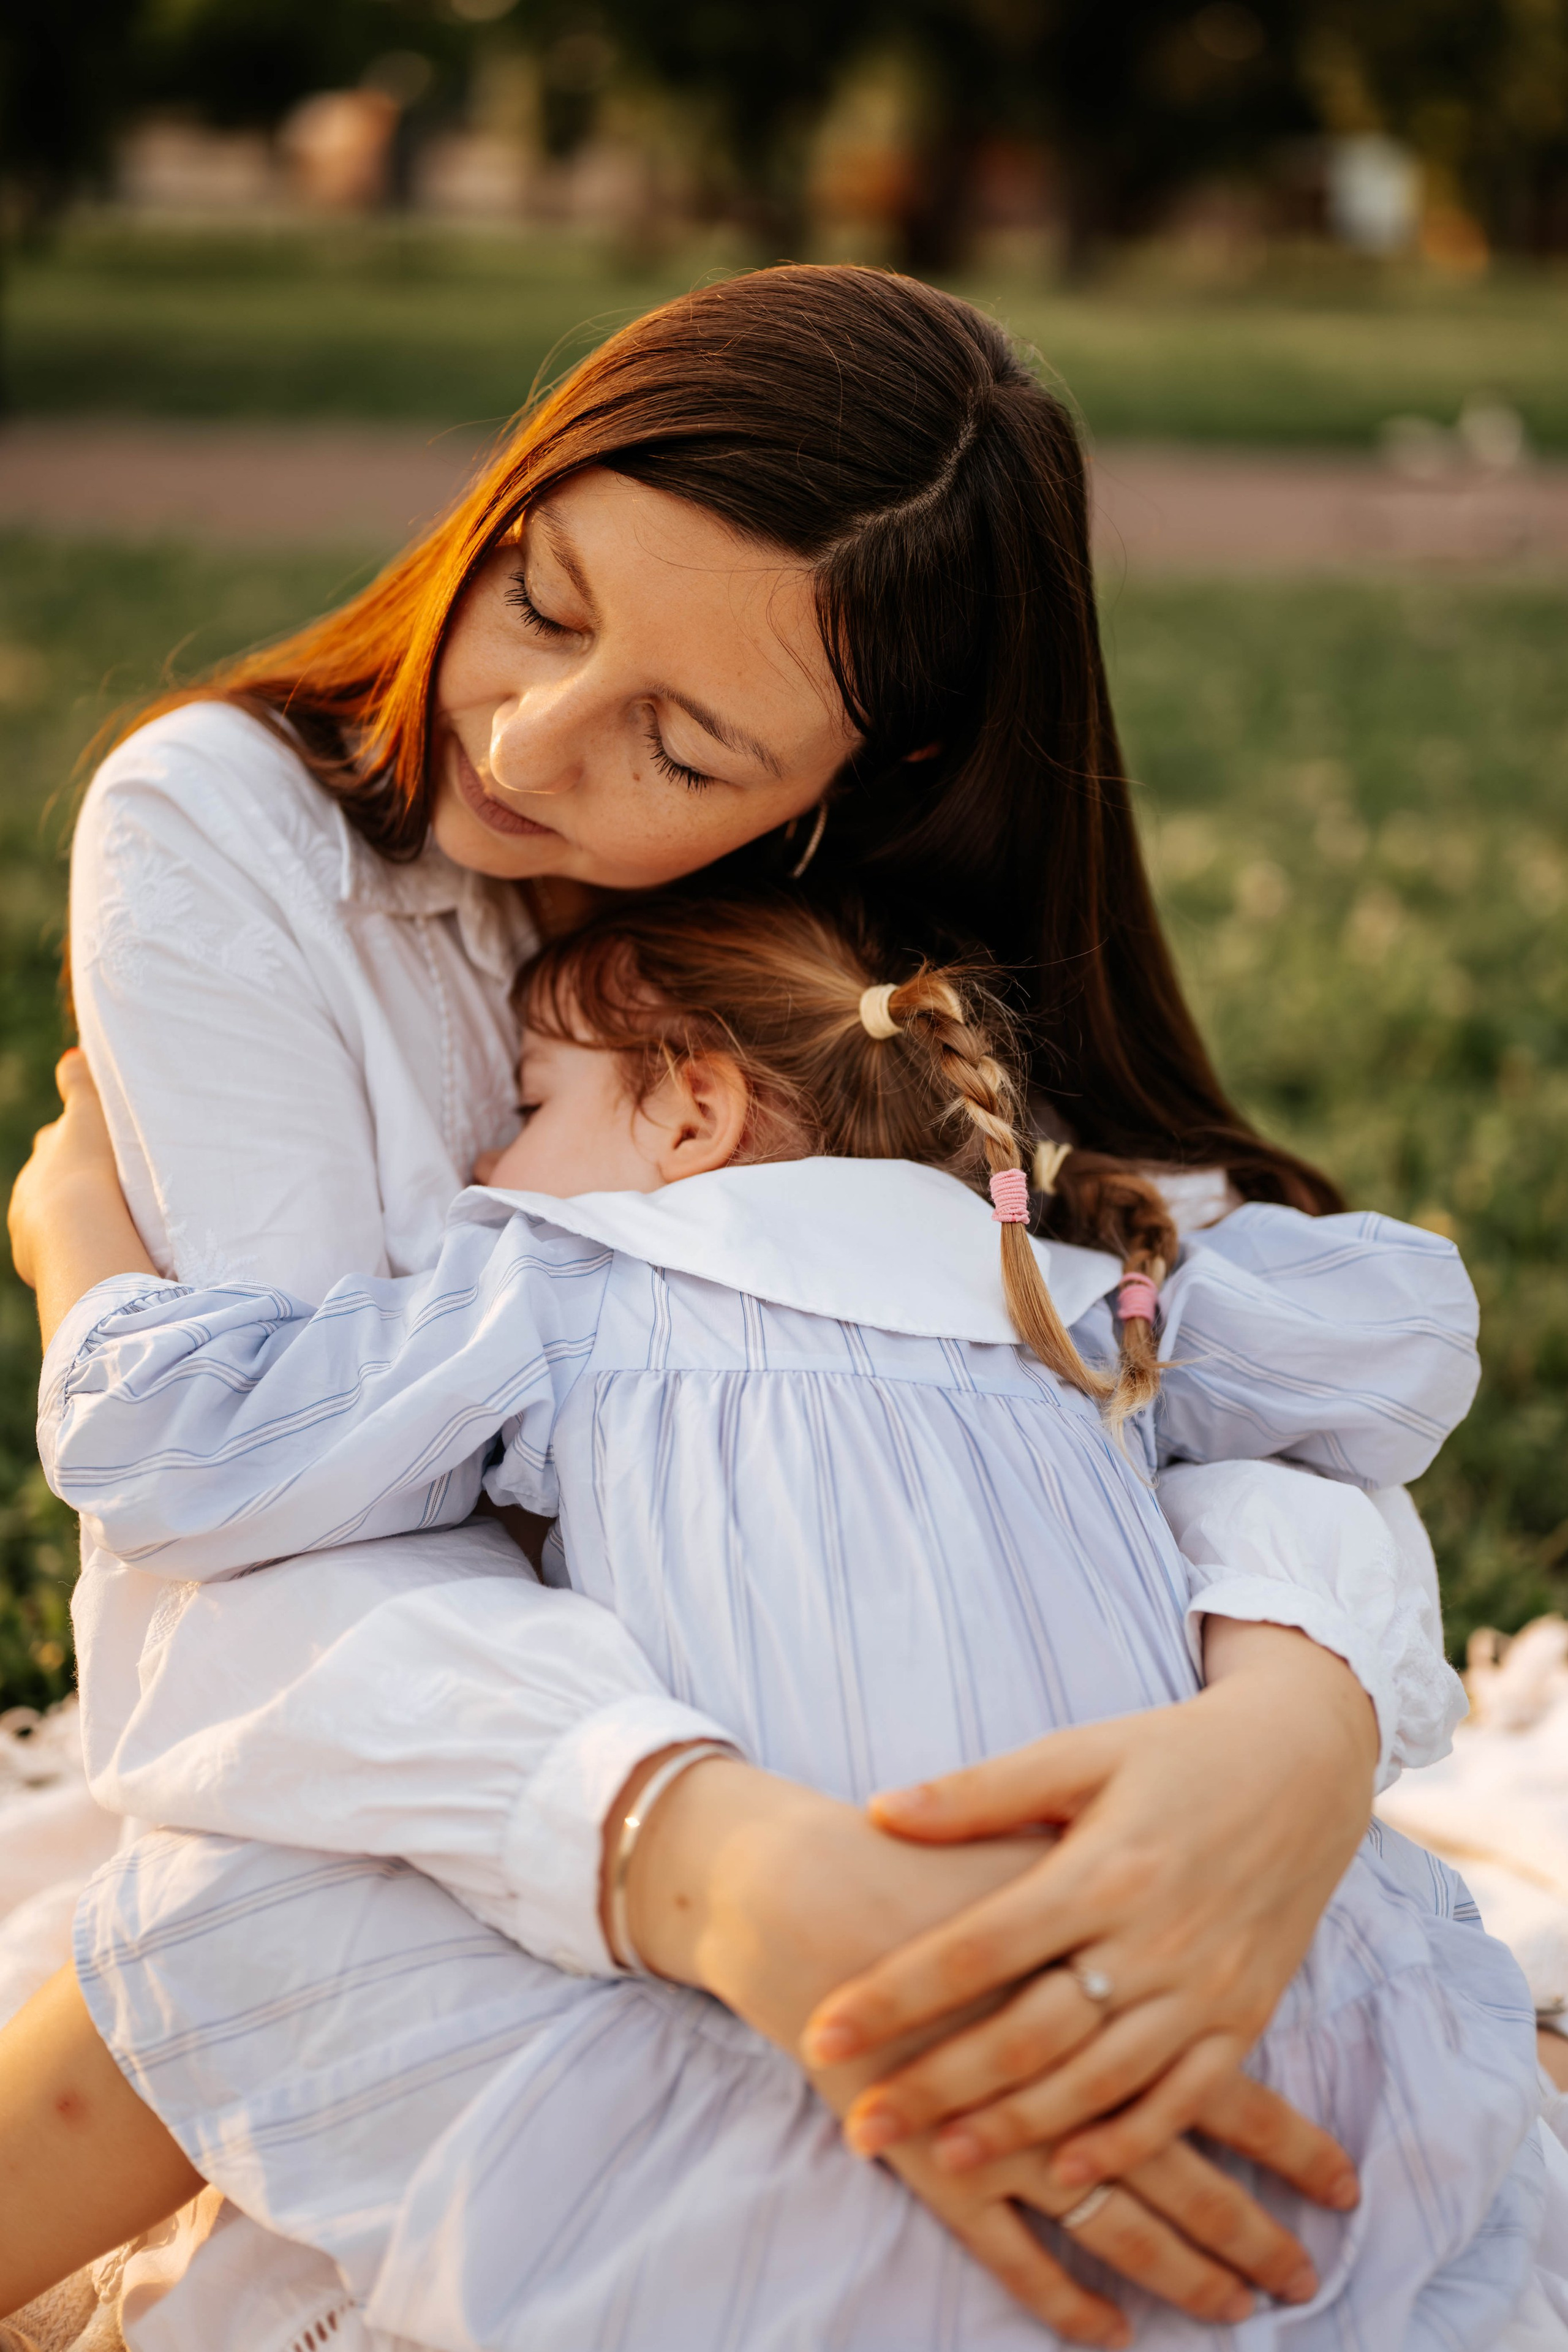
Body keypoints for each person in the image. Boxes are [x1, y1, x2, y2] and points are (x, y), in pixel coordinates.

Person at [0, 263, 1476, 2343]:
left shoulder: (839, 984)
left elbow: (1193, 1366)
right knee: (245, 1927)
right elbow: (293, 1545)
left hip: (933, 1810)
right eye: (538, 597)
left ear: (851, 787)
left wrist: (1289, 1729)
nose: (523, 739)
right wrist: (720, 1862)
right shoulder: (231, 837)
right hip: (521, 1803)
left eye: (681, 744)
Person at [13, 890, 1553, 2351]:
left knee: (230, 1897)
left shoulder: (567, 1282)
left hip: (804, 2109)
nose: (489, 1156)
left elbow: (182, 1449)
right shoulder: (1071, 1302)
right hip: (1221, 2071)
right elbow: (1396, 1341)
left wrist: (70, 1222)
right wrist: (1140, 1245)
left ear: (690, 1110)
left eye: (530, 1102)